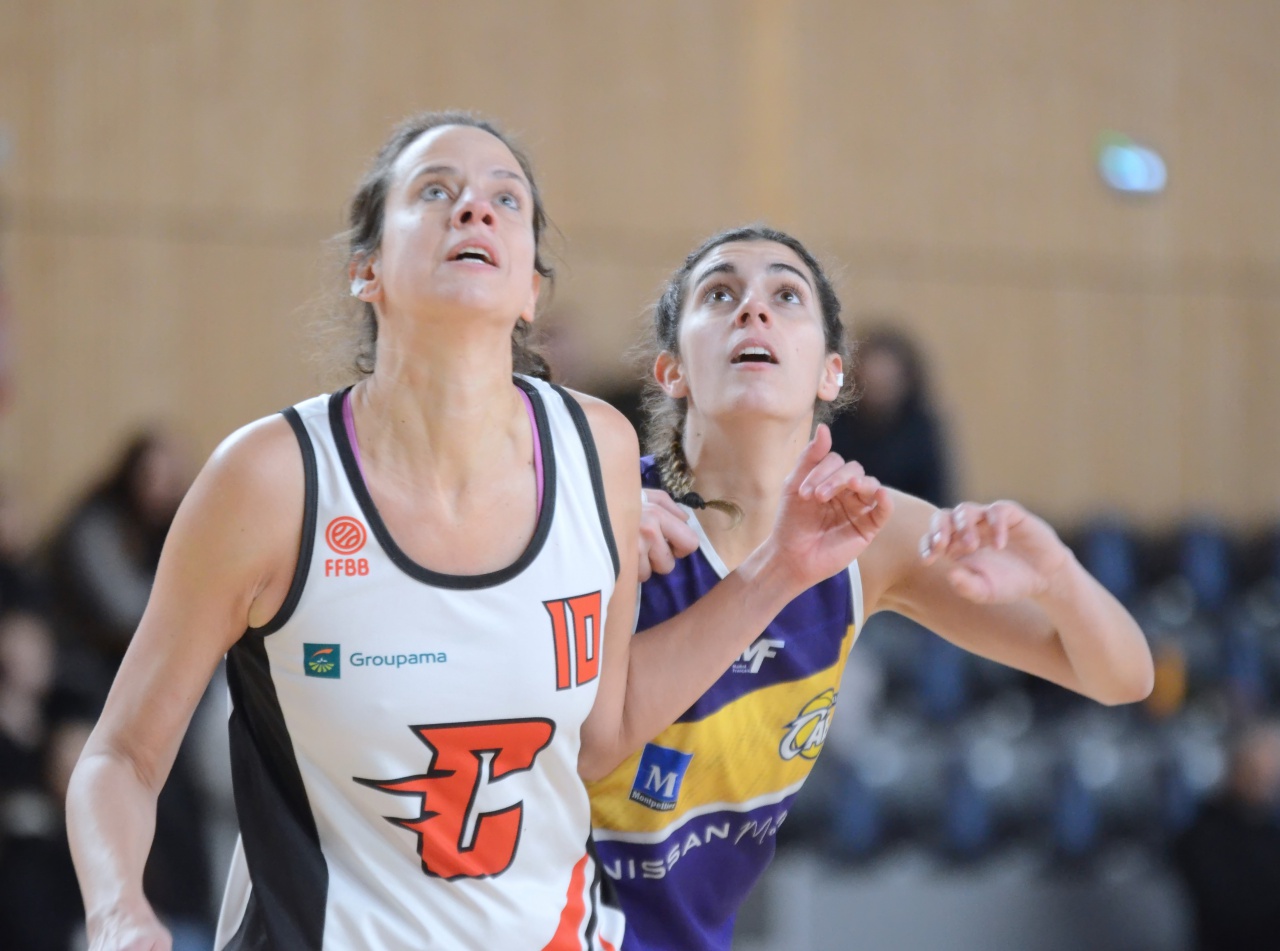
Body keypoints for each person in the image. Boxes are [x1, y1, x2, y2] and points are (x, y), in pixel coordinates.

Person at [66, 115, 891, 951]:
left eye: (506, 198)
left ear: (531, 286)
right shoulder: (270, 480)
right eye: (436, 191)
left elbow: (603, 737)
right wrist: (119, 911)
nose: (474, 208)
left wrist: (778, 572)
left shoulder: (598, 452)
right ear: (366, 269)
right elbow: (121, 756)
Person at [587, 225, 1155, 951]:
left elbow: (1122, 677)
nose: (753, 308)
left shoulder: (871, 532)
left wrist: (1060, 578)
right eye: (720, 294)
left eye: (786, 295)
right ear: (672, 370)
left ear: (831, 373)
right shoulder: (600, 508)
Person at [1172, 719, 1280, 951]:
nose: (1267, 779)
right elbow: (1228, 912)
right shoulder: (1203, 837)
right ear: (1236, 768)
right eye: (1255, 770)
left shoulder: (1268, 829)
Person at [827, 325, 952, 506]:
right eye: (873, 379)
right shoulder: (836, 424)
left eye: (887, 380)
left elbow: (938, 498)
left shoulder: (921, 430)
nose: (879, 387)